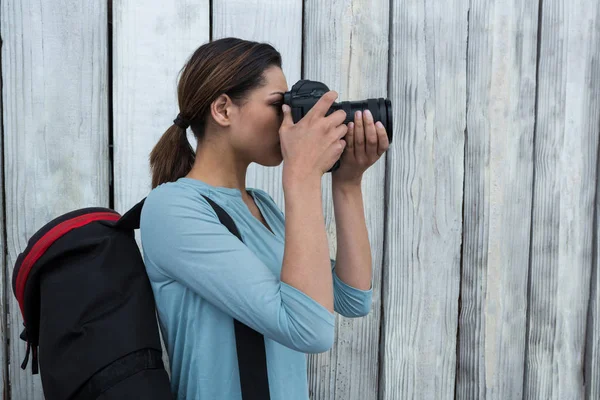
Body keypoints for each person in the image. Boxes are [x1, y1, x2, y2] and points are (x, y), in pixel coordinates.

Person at [140, 37, 390, 400]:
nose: (290, 119)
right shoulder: (173, 209)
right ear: (223, 110)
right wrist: (302, 175)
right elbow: (311, 330)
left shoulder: (262, 207)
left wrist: (347, 182)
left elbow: (352, 298)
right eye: (279, 104)